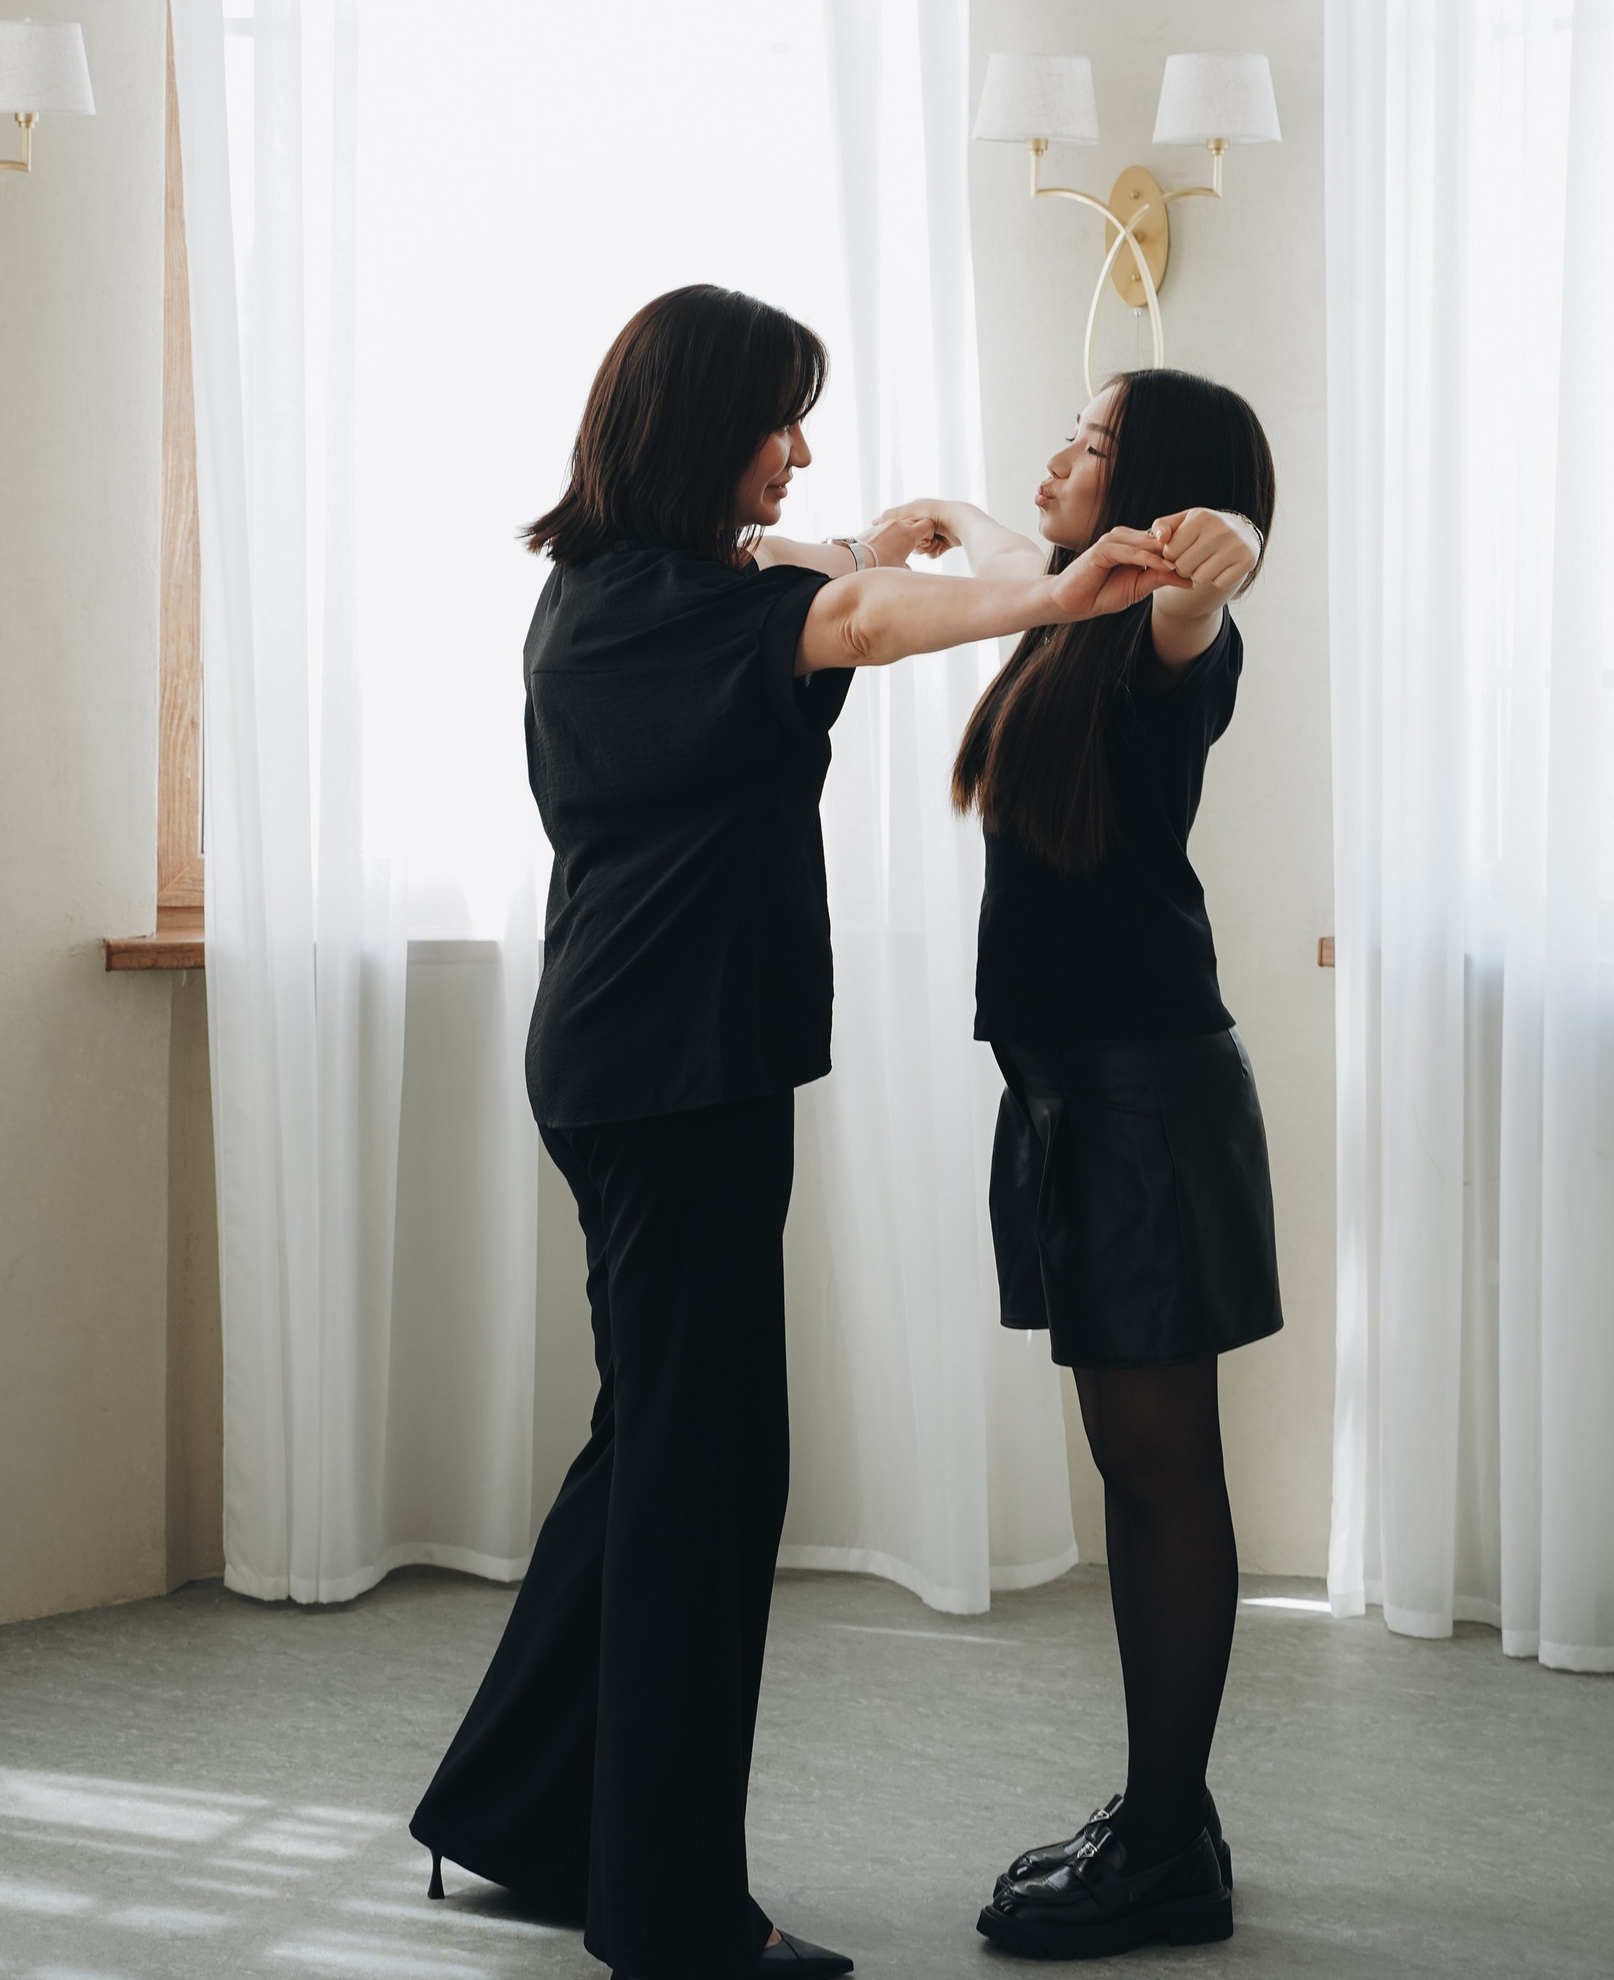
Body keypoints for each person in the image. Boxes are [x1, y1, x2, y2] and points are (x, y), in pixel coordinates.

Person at [410, 286, 1189, 1980]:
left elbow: (816, 579)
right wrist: (1048, 594)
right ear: (706, 430)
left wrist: (859, 541)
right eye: (781, 421)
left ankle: (524, 1808)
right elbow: (860, 623)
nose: (803, 451)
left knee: (652, 1448)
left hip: (637, 1064)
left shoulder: (615, 588)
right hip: (676, 1078)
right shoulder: (687, 613)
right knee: (706, 1477)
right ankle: (674, 1914)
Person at [885, 366, 1279, 1960]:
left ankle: (1168, 1848)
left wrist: (1230, 542)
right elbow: (1017, 548)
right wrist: (946, 520)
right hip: (1073, 1100)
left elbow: (1208, 593)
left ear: (1156, 489)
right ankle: (1163, 1809)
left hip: (1141, 1106)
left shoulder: (1165, 636)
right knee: (1136, 1464)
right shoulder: (1068, 612)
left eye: (1095, 442)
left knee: (1162, 1466)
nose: (1059, 455)